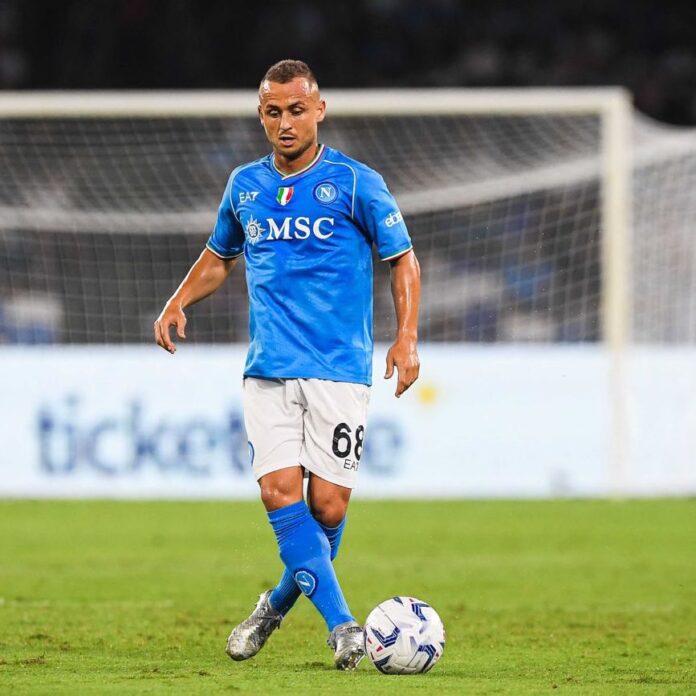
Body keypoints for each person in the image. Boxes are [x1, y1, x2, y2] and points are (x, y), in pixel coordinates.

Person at [153, 59, 421, 670]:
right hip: (268, 368)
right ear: (261, 115)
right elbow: (220, 255)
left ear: (319, 110)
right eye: (273, 112)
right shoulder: (244, 185)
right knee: (279, 493)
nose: (285, 122)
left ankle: (273, 606)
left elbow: (402, 259)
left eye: (296, 110)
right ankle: (344, 626)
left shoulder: (355, 182)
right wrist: (178, 299)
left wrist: (406, 337)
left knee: (327, 508)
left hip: (339, 368)